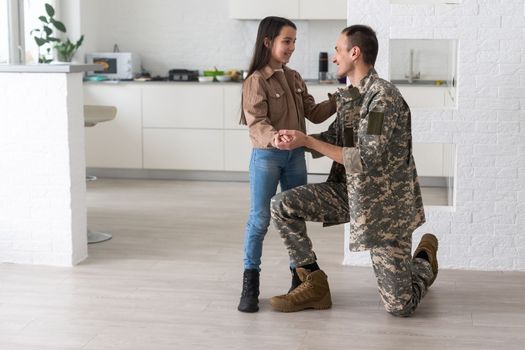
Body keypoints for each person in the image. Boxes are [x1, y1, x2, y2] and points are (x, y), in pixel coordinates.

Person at [268, 24, 439, 317]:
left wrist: (308, 140)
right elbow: (335, 139)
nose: (334, 57)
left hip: (385, 210)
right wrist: (296, 141)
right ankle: (313, 281)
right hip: (349, 194)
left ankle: (424, 257)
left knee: (399, 306)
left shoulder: (382, 98)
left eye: (337, 50)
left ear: (354, 52)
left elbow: (366, 159)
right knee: (282, 205)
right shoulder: (351, 97)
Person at [237, 16, 337, 313]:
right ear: (268, 42)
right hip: (267, 157)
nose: (292, 47)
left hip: (295, 157)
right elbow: (257, 124)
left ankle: (301, 281)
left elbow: (314, 114)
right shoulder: (255, 80)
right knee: (259, 221)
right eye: (287, 41)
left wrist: (338, 99)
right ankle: (250, 285)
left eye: (294, 41)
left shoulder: (293, 77)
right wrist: (275, 137)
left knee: (295, 217)